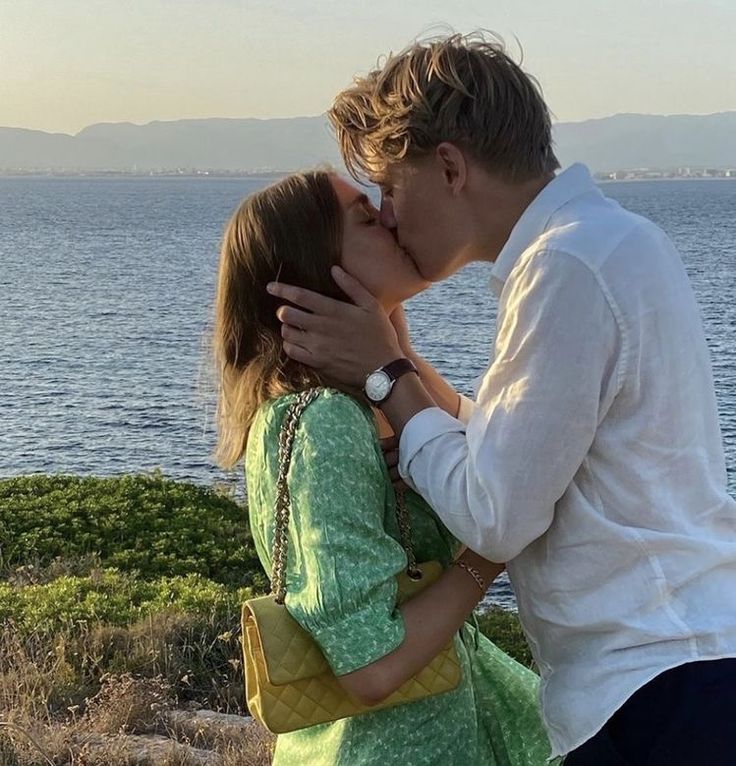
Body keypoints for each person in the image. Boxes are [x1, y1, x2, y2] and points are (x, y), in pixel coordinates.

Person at [265, 33, 736, 766]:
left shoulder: (565, 269)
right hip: (677, 669)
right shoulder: (610, 243)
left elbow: (498, 510)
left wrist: (387, 377)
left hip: (654, 687)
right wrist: (400, 357)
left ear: (449, 166)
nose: (388, 216)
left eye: (391, 189)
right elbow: (519, 448)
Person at [212, 170, 555, 765]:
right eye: (366, 220)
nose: (391, 221)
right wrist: (492, 548)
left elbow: (490, 449)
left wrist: (396, 355)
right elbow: (370, 668)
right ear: (315, 270)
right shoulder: (323, 422)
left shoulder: (366, 402)